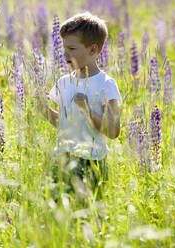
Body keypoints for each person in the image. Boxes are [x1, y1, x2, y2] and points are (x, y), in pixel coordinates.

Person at [36, 12, 121, 198]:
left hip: (92, 162)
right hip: (63, 157)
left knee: (88, 214)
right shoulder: (64, 82)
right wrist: (43, 108)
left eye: (72, 49)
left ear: (93, 50)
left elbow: (113, 131)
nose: (65, 54)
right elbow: (62, 123)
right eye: (64, 48)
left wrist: (88, 111)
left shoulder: (106, 84)